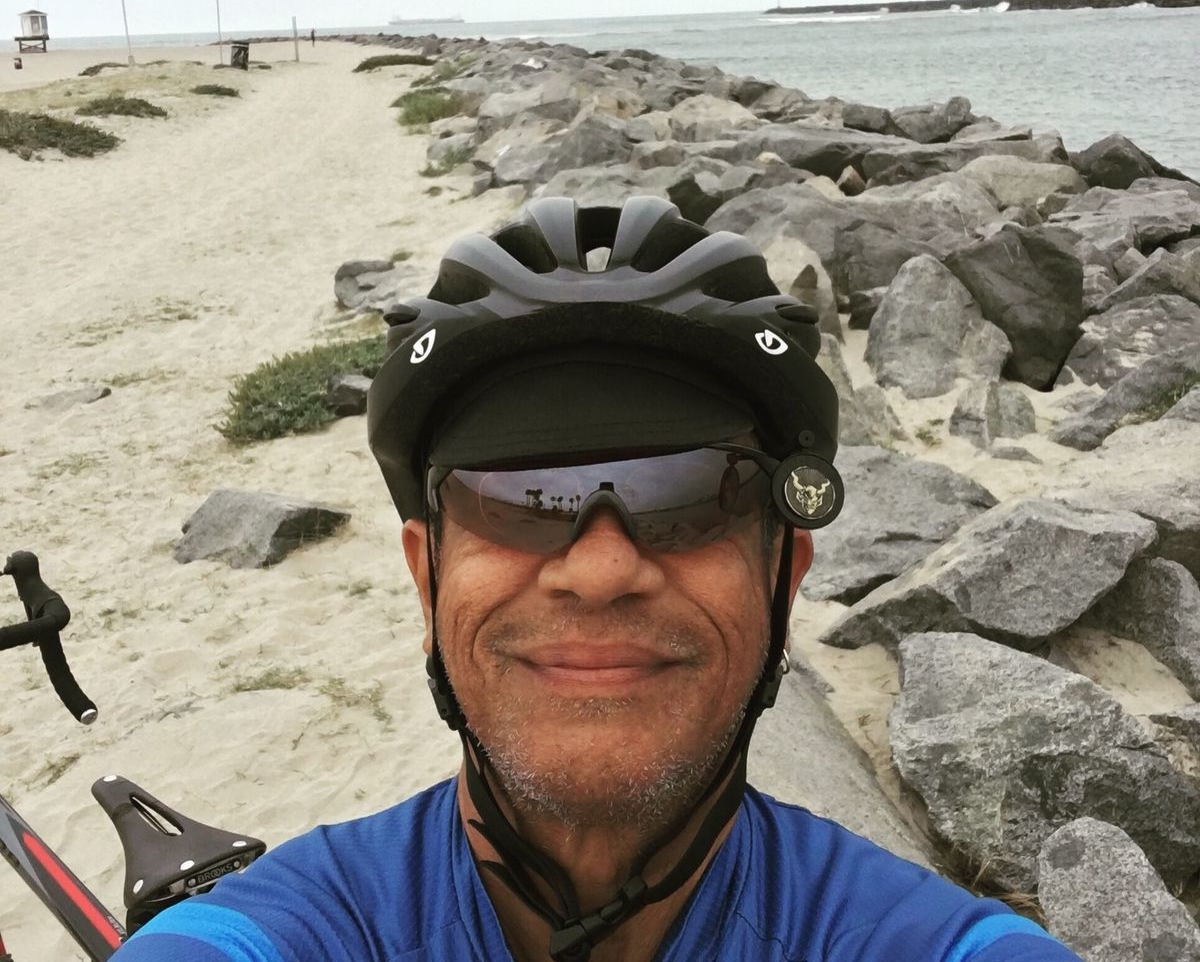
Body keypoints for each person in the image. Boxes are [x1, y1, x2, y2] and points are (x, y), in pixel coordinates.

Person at [115, 197, 1082, 960]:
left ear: (783, 582)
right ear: (428, 582)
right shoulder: (289, 931)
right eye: (517, 497)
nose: (602, 568)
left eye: (692, 492)